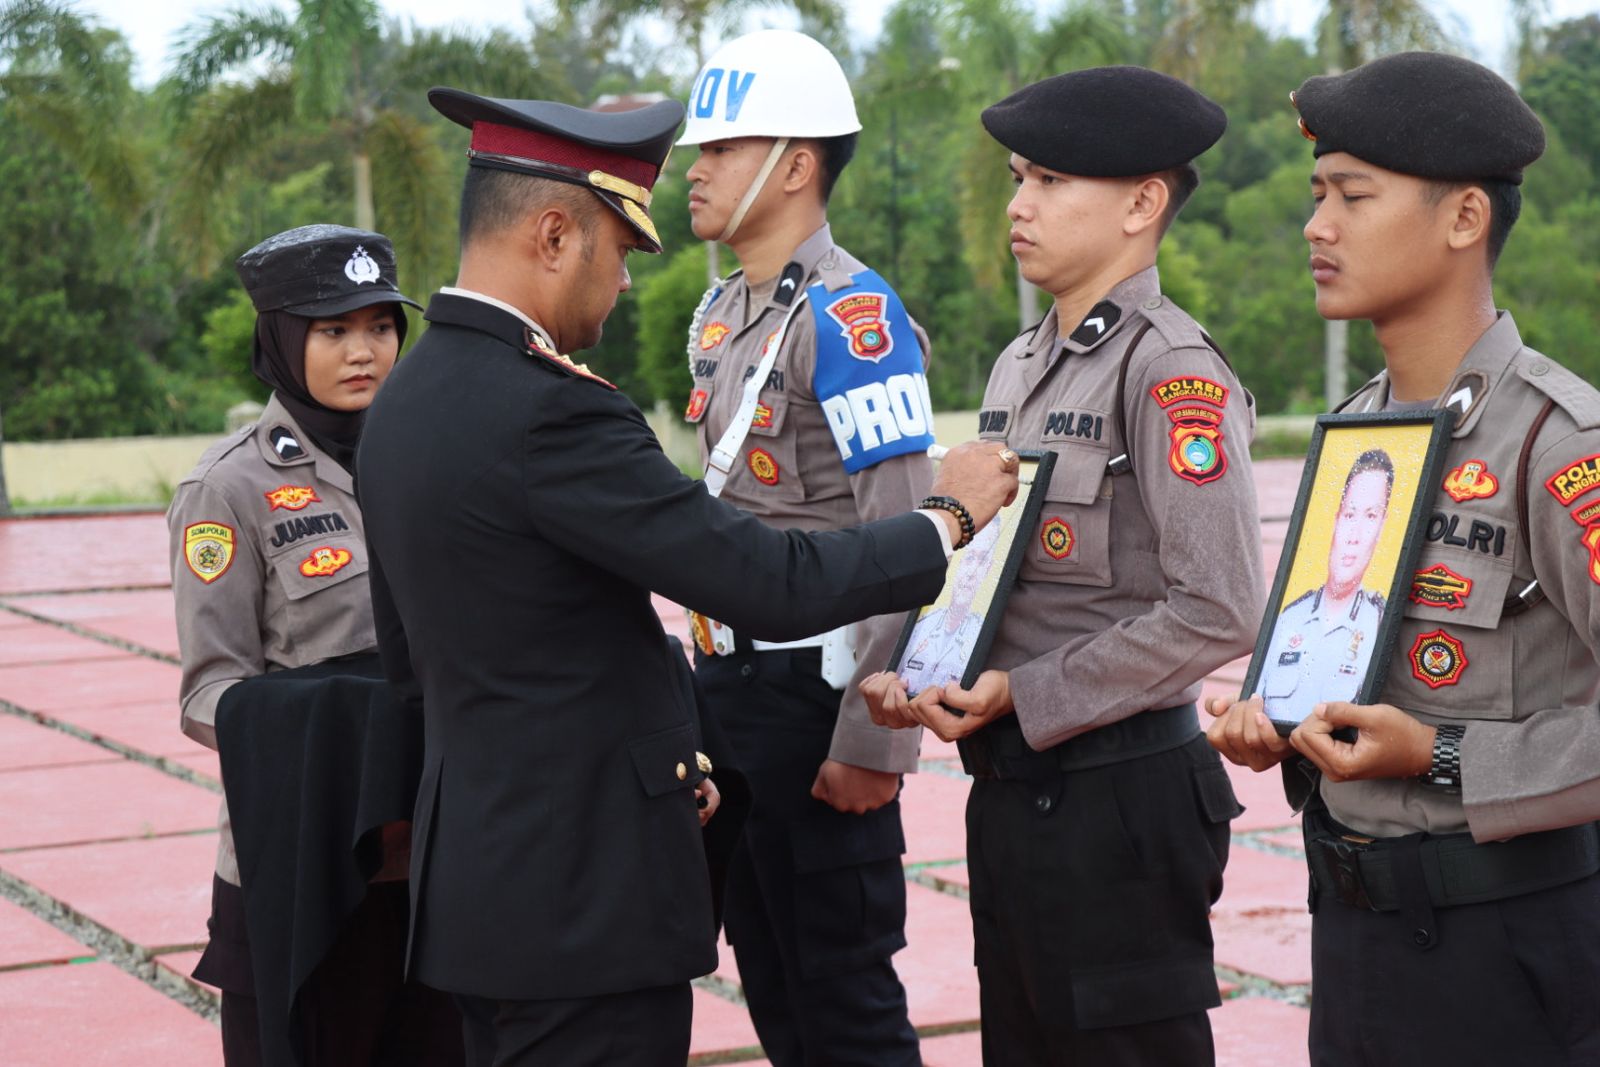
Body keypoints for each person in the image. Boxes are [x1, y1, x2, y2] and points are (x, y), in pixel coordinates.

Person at [354, 87, 1019, 1067]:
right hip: (585, 898)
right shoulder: (552, 412)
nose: (625, 281)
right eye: (620, 249)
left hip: (481, 890)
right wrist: (946, 517)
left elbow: (413, 663)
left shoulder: (404, 400)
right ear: (553, 235)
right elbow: (764, 577)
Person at [862, 67, 1265, 1064]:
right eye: (1018, 178)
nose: (1018, 204)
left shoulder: (1169, 370)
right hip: (1012, 789)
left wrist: (1028, 691)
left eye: (1049, 180)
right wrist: (919, 668)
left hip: (1120, 801)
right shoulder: (1020, 363)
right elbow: (994, 568)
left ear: (1141, 203)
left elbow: (1218, 607)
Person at [1205, 51, 1600, 1065]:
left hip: (1509, 953)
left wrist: (1441, 755)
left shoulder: (1557, 444)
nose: (1316, 225)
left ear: (1464, 217)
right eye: (1316, 196)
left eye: (1352, 195)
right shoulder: (1360, 435)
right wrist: (1283, 727)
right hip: (1354, 935)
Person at [676, 30, 936, 1064]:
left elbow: (909, 539)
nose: (694, 169)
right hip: (729, 695)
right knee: (775, 992)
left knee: (845, 1007)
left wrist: (874, 739)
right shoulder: (722, 308)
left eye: (720, 149)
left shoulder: (852, 315)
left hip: (817, 700)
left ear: (793, 166)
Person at [168, 225, 461, 1065]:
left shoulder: (437, 461)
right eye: (334, 330)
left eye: (380, 326)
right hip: (306, 864)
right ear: (281, 338)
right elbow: (209, 691)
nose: (363, 351)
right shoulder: (227, 488)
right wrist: (337, 728)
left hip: (439, 856)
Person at [1259, 449, 1393, 720]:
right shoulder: (1288, 618)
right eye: (1350, 514)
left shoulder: (1382, 625)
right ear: (1336, 519)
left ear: (1382, 527)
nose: (1354, 535)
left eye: (1370, 517)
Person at [899, 516, 1003, 696]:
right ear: (957, 560)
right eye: (969, 558)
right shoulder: (921, 627)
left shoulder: (985, 635)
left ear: (988, 570)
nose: (971, 573)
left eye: (981, 561)